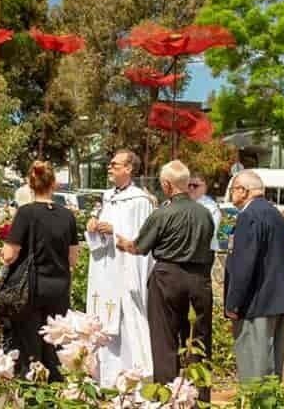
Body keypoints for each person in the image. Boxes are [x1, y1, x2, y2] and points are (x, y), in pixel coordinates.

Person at [116, 160, 215, 403]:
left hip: (167, 278)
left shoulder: (162, 213)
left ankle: (167, 398)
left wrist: (122, 243)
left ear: (167, 185)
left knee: (164, 342)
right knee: (198, 342)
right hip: (199, 279)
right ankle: (200, 399)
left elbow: (139, 247)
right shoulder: (205, 213)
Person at [0, 161, 80, 381]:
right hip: (59, 286)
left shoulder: (26, 213)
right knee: (54, 341)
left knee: (30, 341)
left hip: (32, 288)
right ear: (53, 184)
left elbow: (10, 254)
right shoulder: (67, 215)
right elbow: (73, 258)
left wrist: (3, 254)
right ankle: (55, 383)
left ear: (29, 184)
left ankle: (33, 385)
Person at [85, 149, 154, 387]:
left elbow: (141, 239)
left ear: (129, 169)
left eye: (115, 164)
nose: (109, 167)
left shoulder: (140, 201)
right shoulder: (108, 197)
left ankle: (132, 378)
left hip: (126, 270)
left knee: (126, 322)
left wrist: (113, 232)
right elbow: (103, 234)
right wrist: (93, 228)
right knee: (101, 320)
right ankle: (104, 377)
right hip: (104, 269)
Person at [225, 170, 284, 383]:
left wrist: (233, 303)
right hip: (278, 300)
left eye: (232, 190)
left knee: (254, 372)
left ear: (243, 190)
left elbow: (244, 265)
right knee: (272, 371)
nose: (231, 195)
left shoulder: (249, 216)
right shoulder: (274, 213)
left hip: (256, 303)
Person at [189, 172, 222, 251]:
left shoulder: (211, 207)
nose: (191, 188)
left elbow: (211, 231)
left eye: (195, 186)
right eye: (189, 185)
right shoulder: (183, 202)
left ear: (204, 188)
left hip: (205, 250)